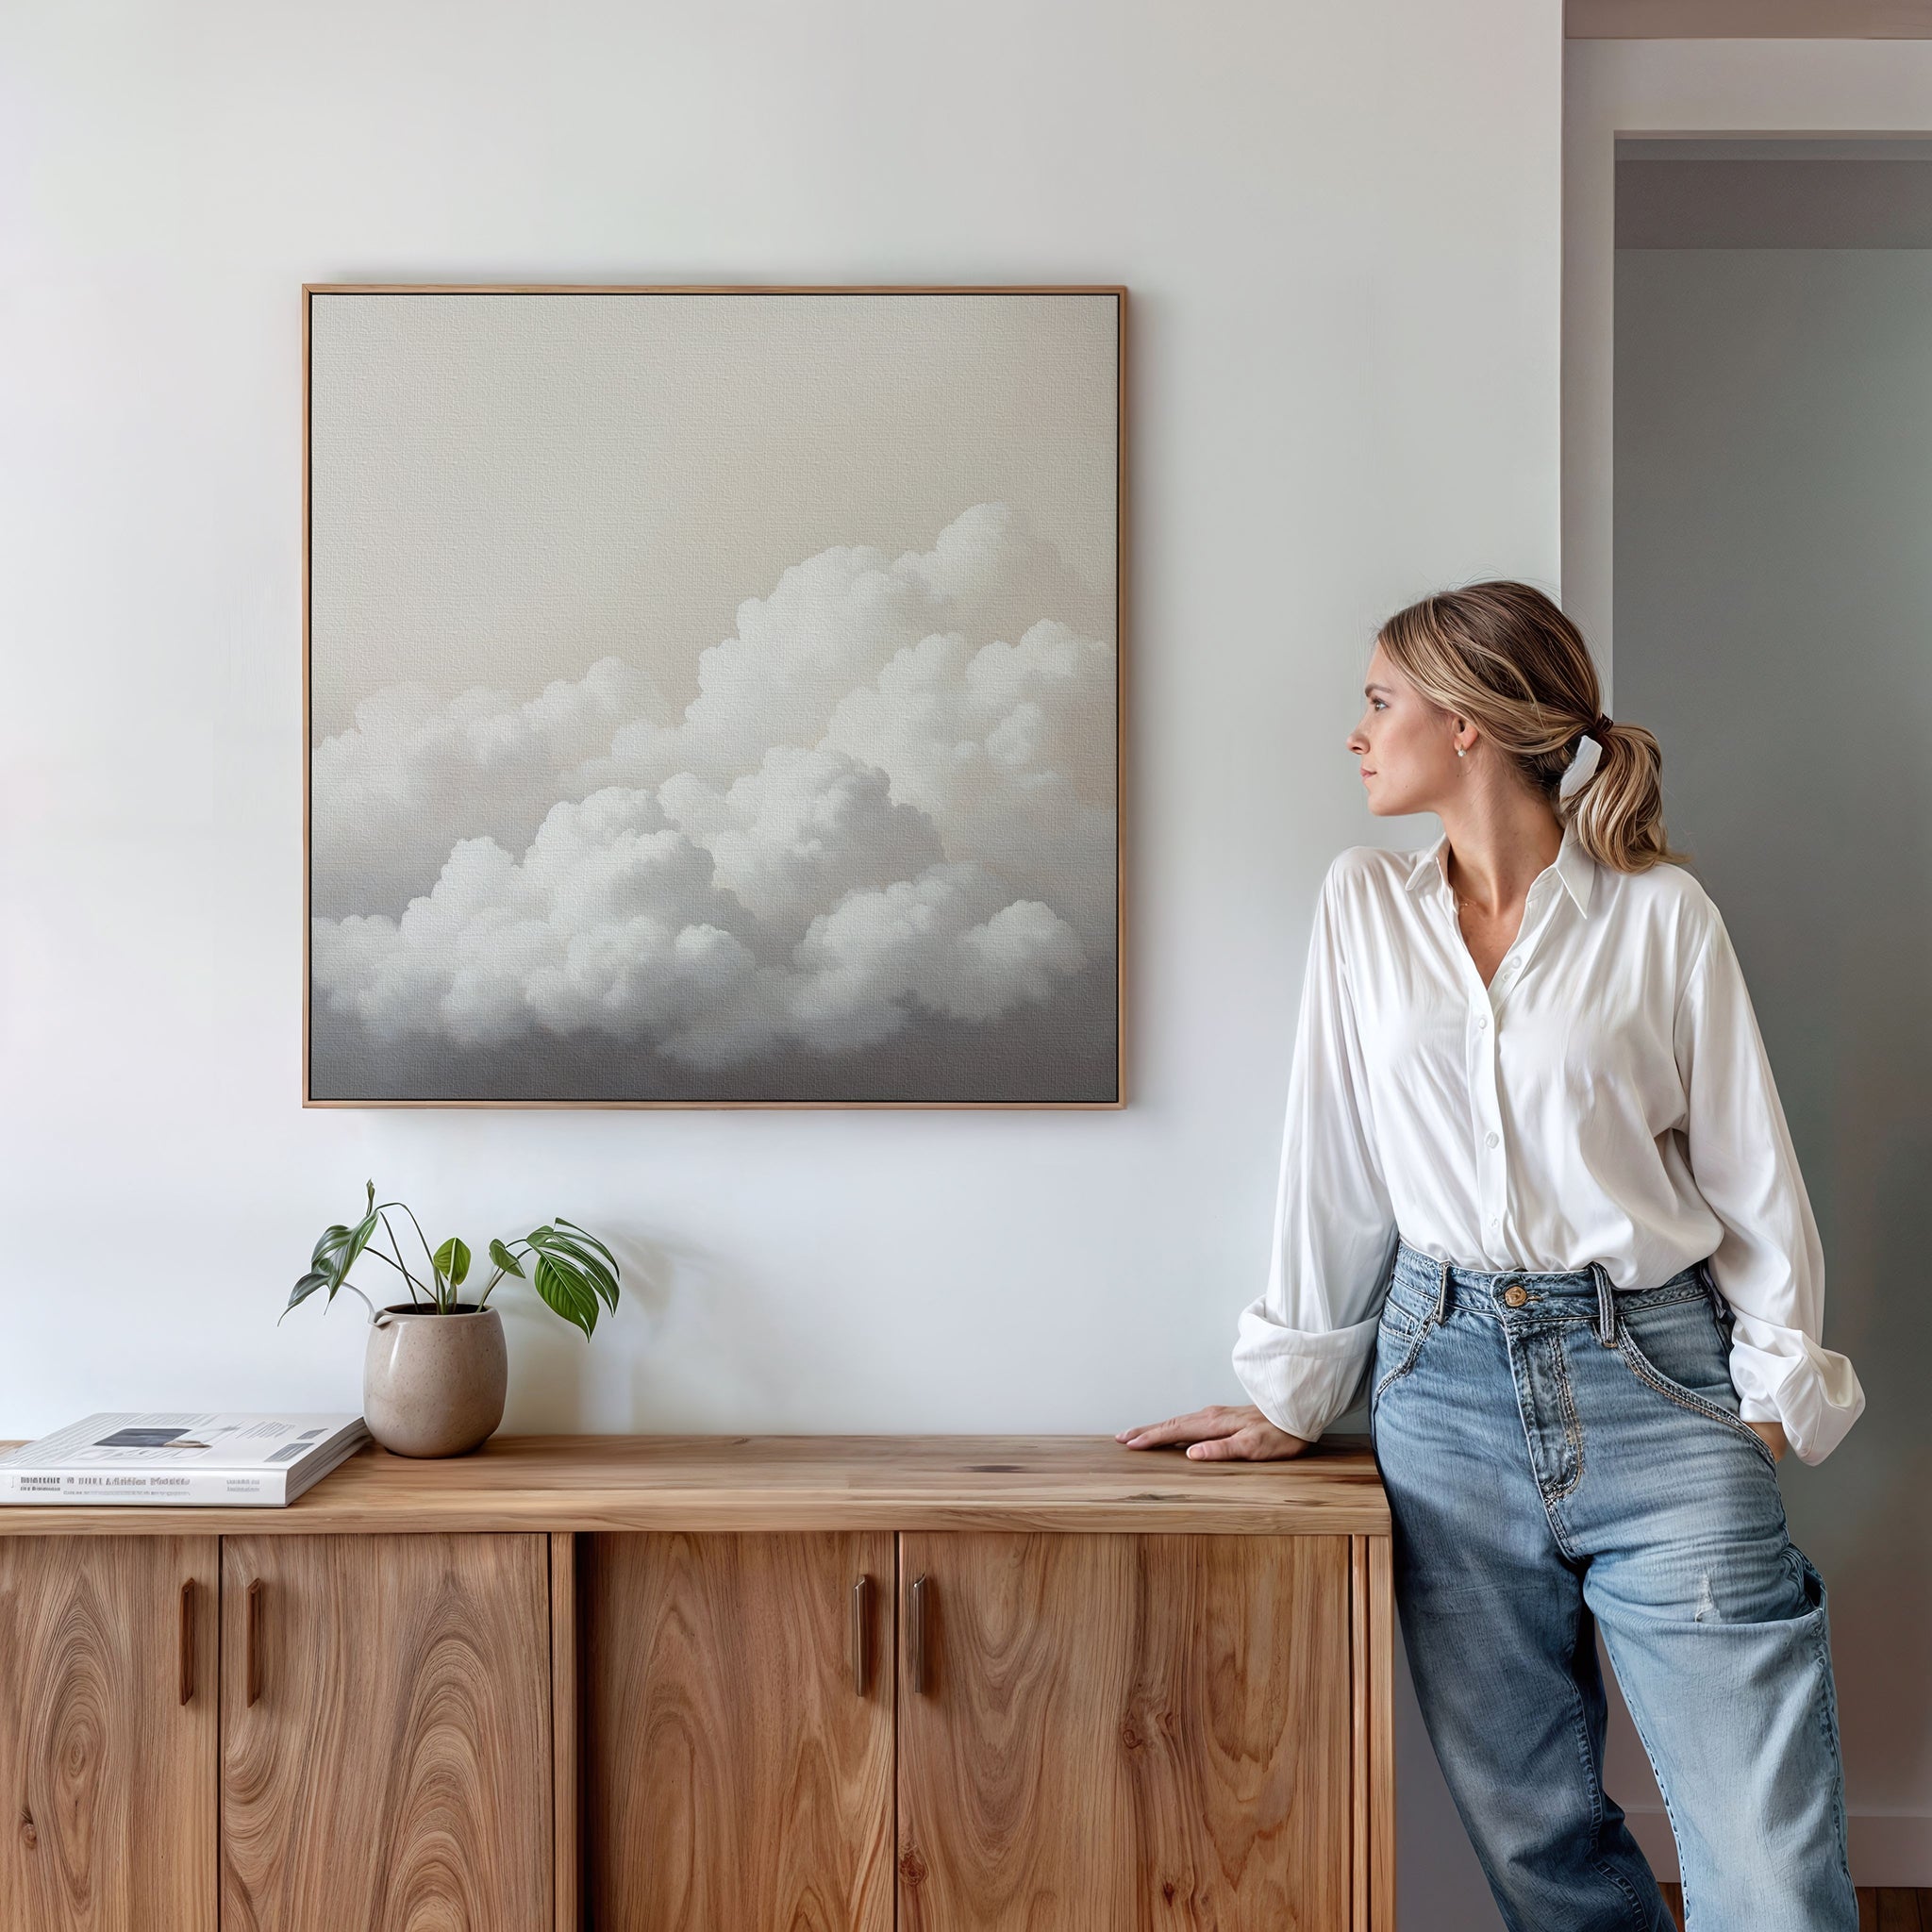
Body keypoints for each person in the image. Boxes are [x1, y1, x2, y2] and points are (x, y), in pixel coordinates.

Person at [1116, 581, 1865, 1930]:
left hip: (1658, 1380)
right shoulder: (1362, 906)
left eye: (1379, 701)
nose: (1357, 734)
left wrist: (1766, 1401)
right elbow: (1334, 1161)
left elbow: (1752, 1170)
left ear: (1466, 723)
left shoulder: (1660, 915)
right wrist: (1296, 1388)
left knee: (1768, 1863)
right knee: (1538, 1845)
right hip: (1443, 1392)